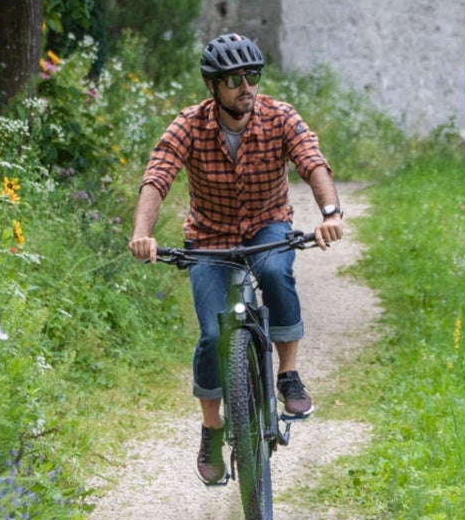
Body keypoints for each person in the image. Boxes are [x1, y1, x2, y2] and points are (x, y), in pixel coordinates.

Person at [129, 33, 345, 485]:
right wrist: (142, 235)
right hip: (209, 237)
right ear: (213, 87)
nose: (246, 87)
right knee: (212, 334)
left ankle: (288, 376)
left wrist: (330, 213)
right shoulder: (188, 125)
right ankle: (212, 430)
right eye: (234, 80)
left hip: (268, 225)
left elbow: (312, 161)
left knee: (274, 271)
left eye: (253, 76)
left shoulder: (280, 117)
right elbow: (158, 176)